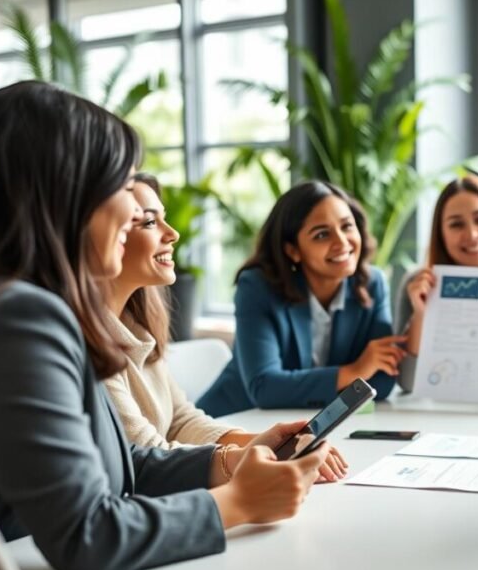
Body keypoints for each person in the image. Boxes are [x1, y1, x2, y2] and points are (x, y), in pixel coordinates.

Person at [0, 53, 329, 570]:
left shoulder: (0, 307)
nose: (134, 212)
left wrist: (228, 464)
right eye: (120, 187)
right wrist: (239, 503)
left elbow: (115, 464)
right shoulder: (13, 320)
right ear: (63, 197)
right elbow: (89, 536)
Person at [100, 173, 347, 481]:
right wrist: (239, 460)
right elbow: (144, 460)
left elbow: (180, 420)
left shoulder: (137, 330)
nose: (173, 233)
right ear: (108, 234)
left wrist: (258, 443)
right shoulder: (88, 345)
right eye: (149, 222)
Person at [196, 181, 404, 415]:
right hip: (229, 426)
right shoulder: (257, 287)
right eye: (322, 235)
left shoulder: (371, 282)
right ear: (292, 250)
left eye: (347, 226)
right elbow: (265, 387)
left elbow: (383, 381)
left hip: (307, 426)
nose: (342, 242)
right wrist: (353, 372)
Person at [395, 174, 478, 393]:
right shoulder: (417, 284)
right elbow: (408, 382)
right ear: (441, 235)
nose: (472, 234)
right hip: (441, 416)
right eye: (456, 224)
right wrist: (421, 314)